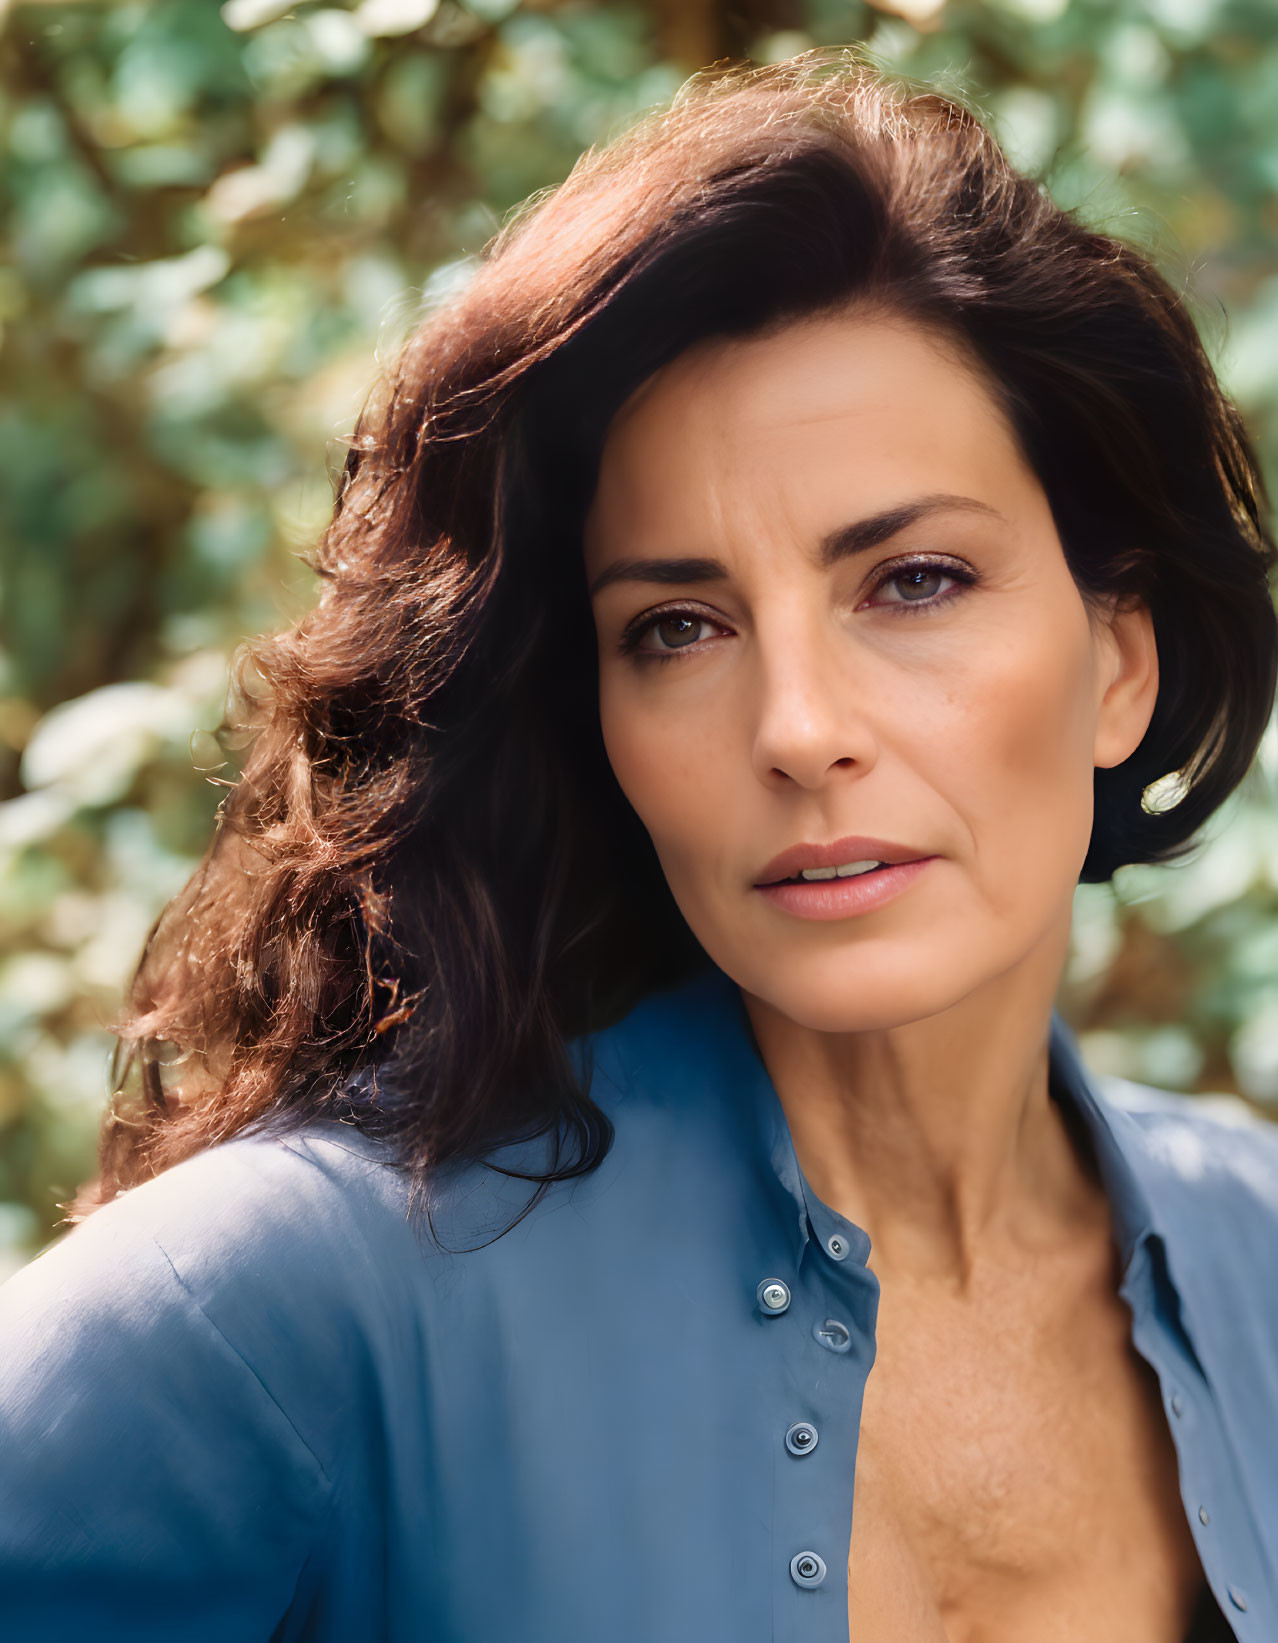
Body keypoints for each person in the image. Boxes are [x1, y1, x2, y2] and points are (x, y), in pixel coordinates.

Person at [1, 50, 1274, 1643]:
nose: (797, 725)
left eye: (914, 581)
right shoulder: (308, 1295)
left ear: (1120, 664)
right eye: (676, 627)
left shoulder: (1263, 1259)